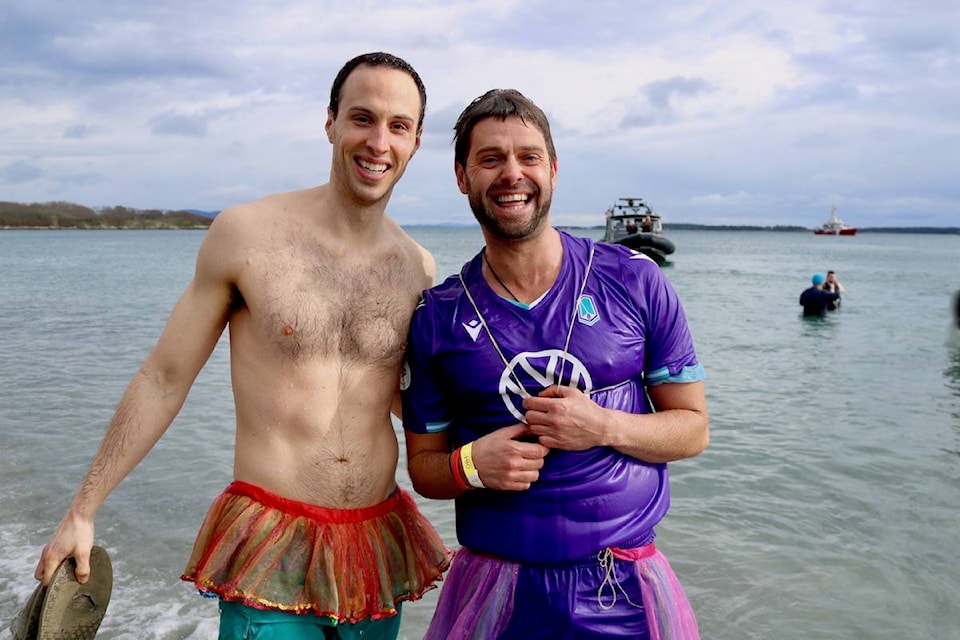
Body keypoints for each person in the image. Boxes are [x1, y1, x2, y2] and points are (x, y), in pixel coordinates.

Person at [33, 51, 450, 639]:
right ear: (329, 122)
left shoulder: (418, 267)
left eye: (398, 126)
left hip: (376, 546)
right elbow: (163, 378)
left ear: (416, 140)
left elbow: (414, 404)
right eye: (362, 118)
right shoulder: (248, 235)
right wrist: (84, 509)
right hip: (271, 544)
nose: (378, 141)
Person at [401, 89, 709, 639]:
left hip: (625, 586)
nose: (511, 174)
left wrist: (603, 425)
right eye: (490, 158)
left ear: (554, 169)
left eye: (529, 156)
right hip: (495, 588)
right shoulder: (437, 315)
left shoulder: (635, 279)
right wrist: (470, 465)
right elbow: (424, 466)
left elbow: (692, 429)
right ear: (461, 176)